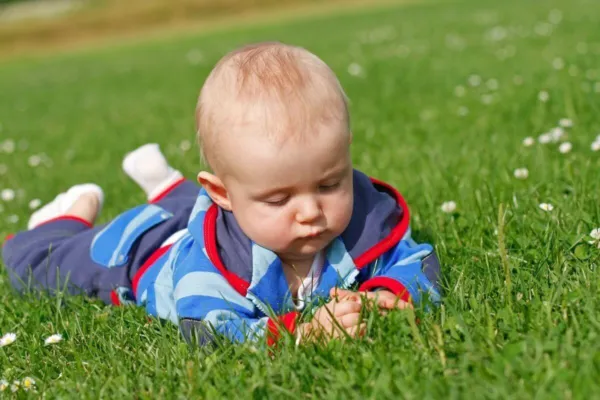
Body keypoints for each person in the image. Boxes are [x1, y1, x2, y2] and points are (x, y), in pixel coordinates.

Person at [1, 42, 441, 346]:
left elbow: (415, 260)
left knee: (181, 209)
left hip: (212, 212)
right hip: (150, 250)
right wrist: (299, 335)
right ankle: (64, 220)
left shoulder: (363, 221)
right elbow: (209, 329)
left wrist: (389, 294)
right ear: (220, 193)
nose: (311, 211)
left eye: (329, 184)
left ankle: (170, 189)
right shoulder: (209, 268)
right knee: (47, 266)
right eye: (278, 199)